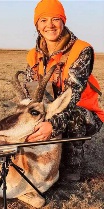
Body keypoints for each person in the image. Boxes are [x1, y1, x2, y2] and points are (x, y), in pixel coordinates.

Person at [25, 0, 104, 181]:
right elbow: (32, 94)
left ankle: (71, 170)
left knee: (74, 115)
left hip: (85, 114)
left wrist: (52, 125)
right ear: (37, 24)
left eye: (55, 19)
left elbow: (73, 95)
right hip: (52, 110)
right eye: (43, 20)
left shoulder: (81, 50)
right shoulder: (33, 55)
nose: (49, 25)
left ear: (63, 21)